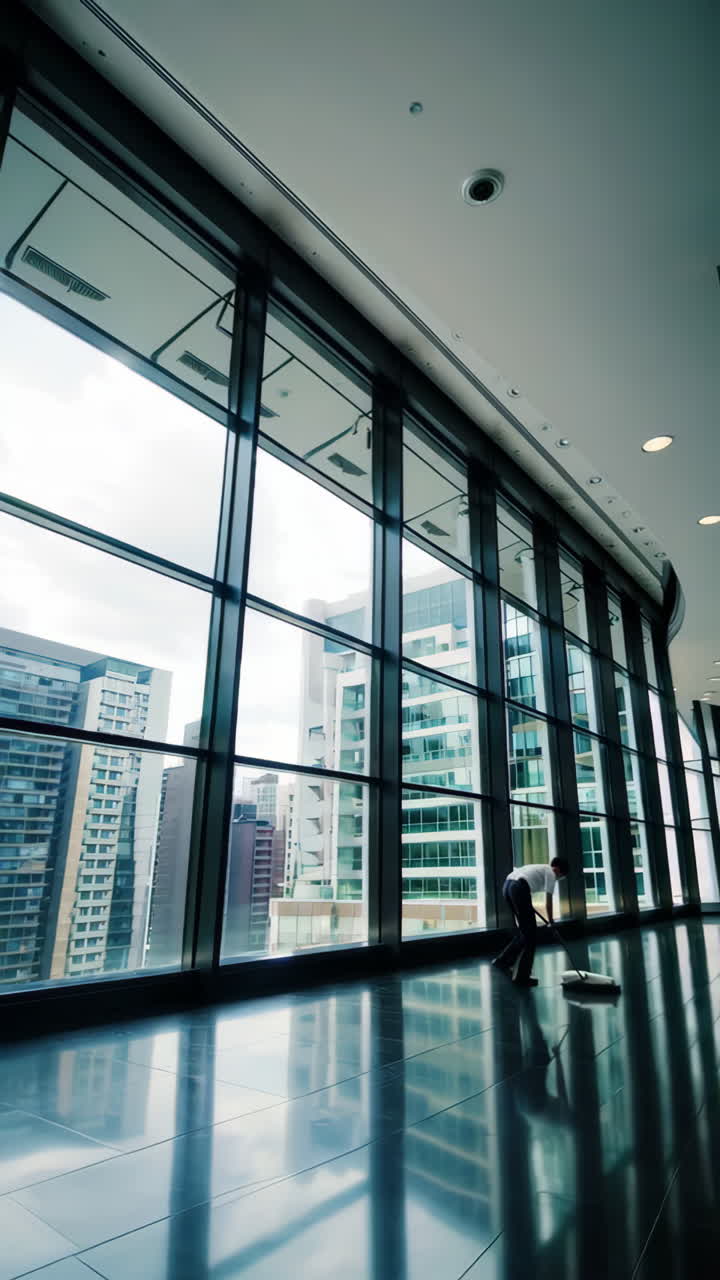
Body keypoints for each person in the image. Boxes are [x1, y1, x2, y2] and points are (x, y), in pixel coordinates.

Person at [492, 857, 569, 987]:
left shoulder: (539, 867)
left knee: (525, 932)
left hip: (508, 886)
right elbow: (548, 902)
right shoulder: (551, 872)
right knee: (531, 935)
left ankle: (502, 960)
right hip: (519, 888)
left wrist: (523, 899)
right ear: (557, 870)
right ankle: (522, 977)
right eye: (560, 876)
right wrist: (551, 922)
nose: (558, 879)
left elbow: (522, 882)